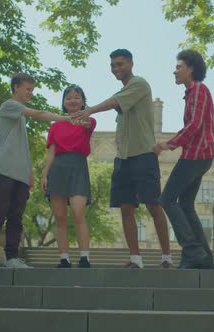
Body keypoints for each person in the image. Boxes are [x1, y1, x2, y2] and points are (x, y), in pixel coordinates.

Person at [76, 49, 172, 268]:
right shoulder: (124, 93)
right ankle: (135, 258)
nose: (116, 69)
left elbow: (112, 102)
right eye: (113, 66)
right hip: (123, 159)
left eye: (120, 64)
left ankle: (166, 257)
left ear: (130, 63)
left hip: (143, 155)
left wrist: (89, 110)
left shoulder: (139, 84)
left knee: (153, 204)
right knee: (126, 208)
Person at [0, 73, 71, 268]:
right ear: (15, 87)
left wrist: (29, 172)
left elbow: (23, 148)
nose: (31, 93)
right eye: (28, 89)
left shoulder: (19, 119)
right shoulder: (9, 106)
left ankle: (12, 258)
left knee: (16, 218)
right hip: (5, 170)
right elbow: (38, 114)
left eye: (32, 89)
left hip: (21, 175)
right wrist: (65, 118)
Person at [153, 49, 214, 269]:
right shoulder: (191, 93)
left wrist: (169, 143)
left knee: (166, 199)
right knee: (186, 204)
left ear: (191, 68)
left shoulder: (198, 89)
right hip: (201, 155)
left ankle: (192, 251)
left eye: (179, 67)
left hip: (196, 155)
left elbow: (195, 125)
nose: (175, 71)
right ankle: (204, 258)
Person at [40, 84, 96, 268]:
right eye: (68, 97)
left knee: (79, 213)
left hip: (78, 168)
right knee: (60, 217)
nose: (72, 100)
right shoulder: (55, 126)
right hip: (58, 168)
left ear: (83, 101)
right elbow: (51, 152)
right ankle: (64, 258)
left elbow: (88, 125)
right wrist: (44, 175)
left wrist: (82, 120)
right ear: (64, 102)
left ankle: (84, 257)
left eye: (77, 97)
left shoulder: (89, 120)